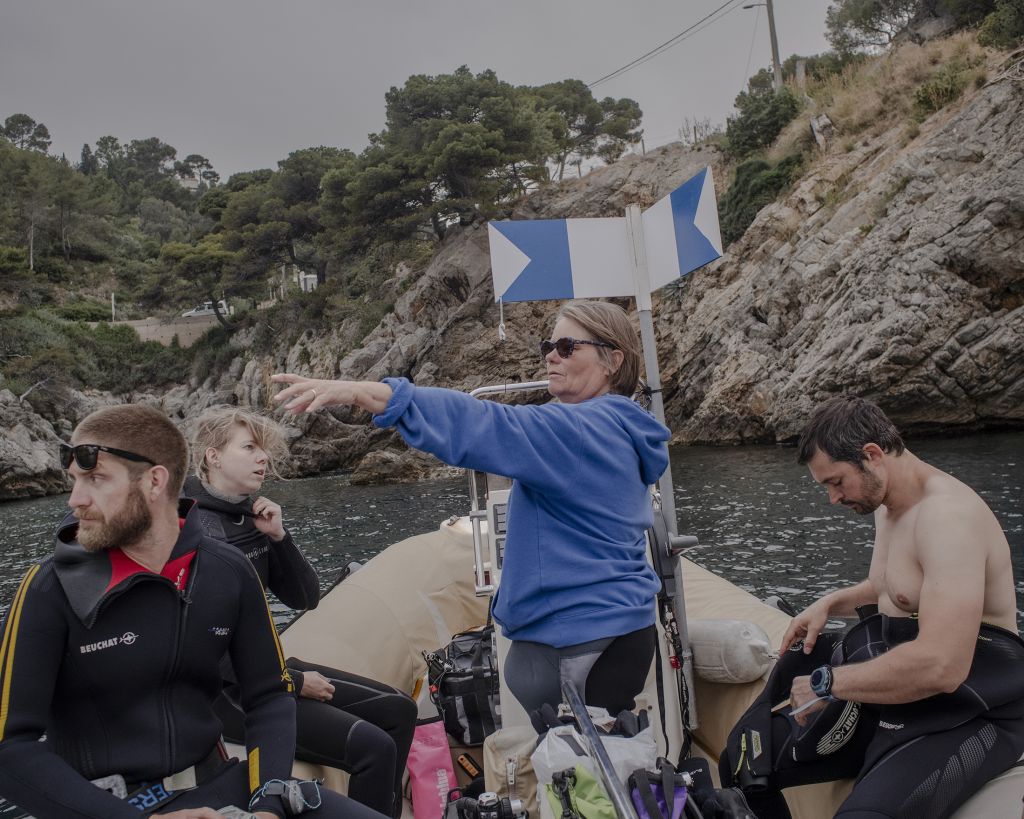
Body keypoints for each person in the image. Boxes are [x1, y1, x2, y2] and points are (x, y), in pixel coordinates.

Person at [271, 300, 670, 717]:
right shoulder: (618, 426)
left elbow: (483, 423)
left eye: (568, 346)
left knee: (586, 781)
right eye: (548, 344)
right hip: (615, 632)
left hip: (580, 646)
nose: (551, 354)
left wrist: (369, 394)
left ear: (612, 361)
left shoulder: (580, 431)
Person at [0, 404, 384, 819]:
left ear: (155, 481)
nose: (76, 499)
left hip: (227, 784)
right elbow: (9, 746)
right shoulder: (48, 588)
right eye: (74, 480)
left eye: (95, 479)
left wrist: (270, 799)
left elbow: (269, 695)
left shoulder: (226, 570)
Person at [720, 396, 1024, 819]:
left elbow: (943, 665)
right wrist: (830, 602)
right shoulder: (888, 504)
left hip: (969, 712)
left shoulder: (948, 518)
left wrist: (829, 683)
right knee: (746, 763)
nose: (832, 498)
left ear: (872, 455)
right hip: (901, 697)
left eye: (836, 482)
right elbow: (893, 587)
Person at [183, 407, 417, 818]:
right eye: (250, 447)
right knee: (373, 748)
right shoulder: (199, 532)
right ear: (212, 456)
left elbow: (305, 598)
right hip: (228, 696)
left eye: (264, 449)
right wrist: (291, 681)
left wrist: (278, 537)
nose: (263, 458)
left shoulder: (249, 515)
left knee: (400, 710)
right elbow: (207, 649)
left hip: (266, 673)